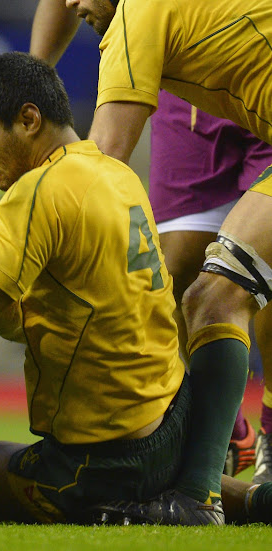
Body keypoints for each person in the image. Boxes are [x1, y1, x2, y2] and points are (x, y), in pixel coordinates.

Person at [0, 51, 272, 525]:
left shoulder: (39, 191)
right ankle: (252, 500)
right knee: (149, 465)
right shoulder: (114, 174)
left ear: (29, 119)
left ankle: (118, 509)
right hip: (170, 417)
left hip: (109, 450)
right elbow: (67, 306)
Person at [30, 0, 272, 485]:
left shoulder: (139, 16)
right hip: (206, 114)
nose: (71, 4)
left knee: (220, 293)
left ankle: (199, 492)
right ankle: (213, 444)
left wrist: (16, 252)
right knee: (200, 284)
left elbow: (100, 168)